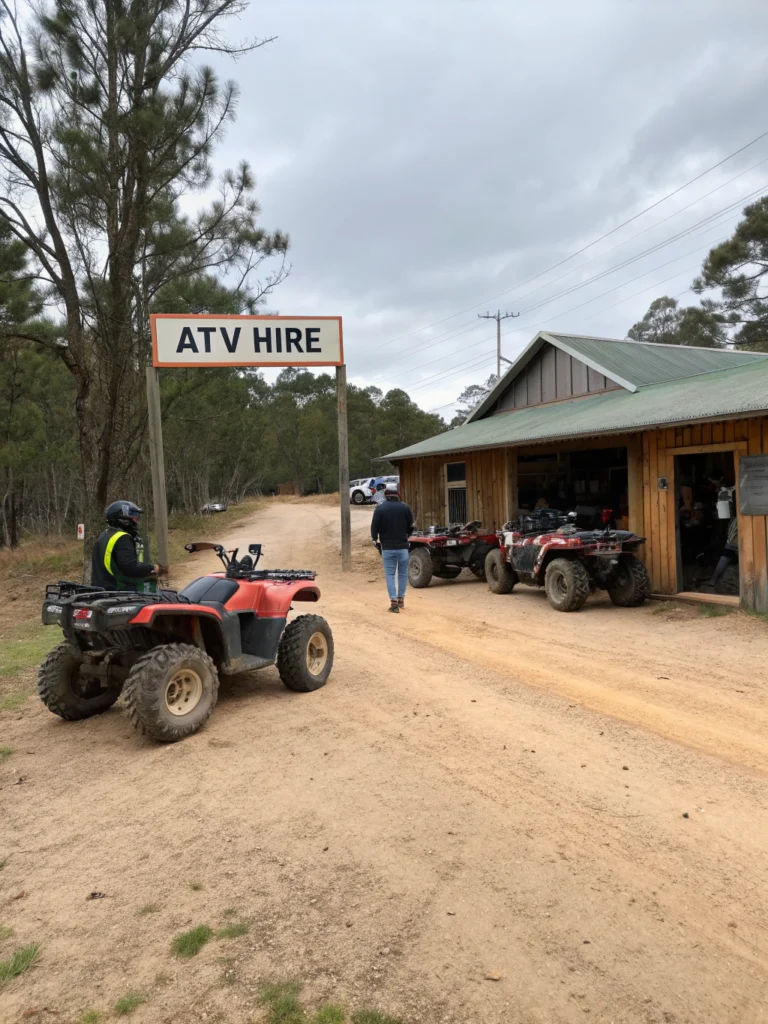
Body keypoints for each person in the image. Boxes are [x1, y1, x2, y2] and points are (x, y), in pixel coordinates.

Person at [91, 500, 162, 591]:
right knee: (170, 597)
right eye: (135, 519)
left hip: (102, 589)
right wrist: (152, 568)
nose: (137, 522)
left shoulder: (104, 536)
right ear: (125, 520)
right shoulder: (122, 538)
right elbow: (130, 567)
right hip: (119, 591)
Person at [370, 483, 414, 613]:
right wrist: (407, 536)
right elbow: (411, 526)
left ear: (386, 495)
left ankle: (393, 602)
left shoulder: (380, 509)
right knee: (402, 574)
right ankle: (401, 599)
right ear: (397, 495)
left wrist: (375, 541)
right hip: (403, 547)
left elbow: (374, 528)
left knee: (389, 574)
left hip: (387, 548)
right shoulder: (405, 508)